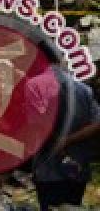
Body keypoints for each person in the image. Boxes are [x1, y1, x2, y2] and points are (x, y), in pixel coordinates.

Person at [31, 68, 100, 211]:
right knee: (72, 205)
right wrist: (68, 139)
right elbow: (97, 124)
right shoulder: (85, 90)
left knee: (48, 206)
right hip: (77, 167)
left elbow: (35, 124)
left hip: (47, 170)